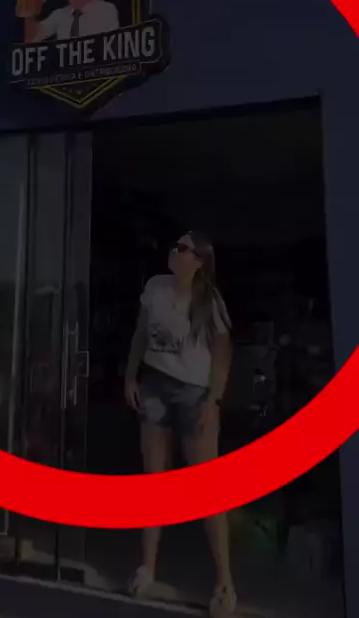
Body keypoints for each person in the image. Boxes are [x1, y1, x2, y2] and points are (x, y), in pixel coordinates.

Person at [124, 231, 236, 617]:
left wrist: (214, 401)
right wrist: (130, 376)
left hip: (194, 394)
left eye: (184, 248)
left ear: (200, 260)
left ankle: (225, 583)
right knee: (154, 482)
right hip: (155, 386)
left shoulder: (209, 300)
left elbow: (223, 355)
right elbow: (141, 334)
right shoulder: (156, 287)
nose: (175, 251)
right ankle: (147, 570)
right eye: (175, 246)